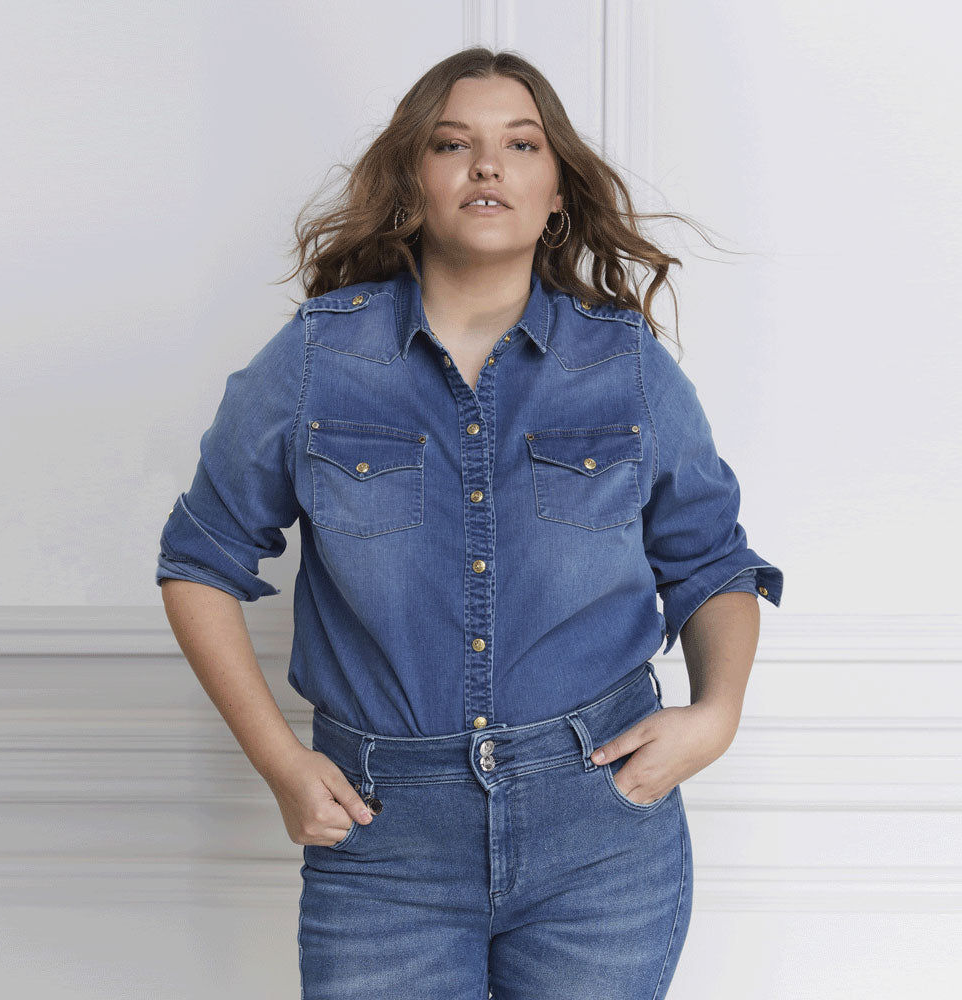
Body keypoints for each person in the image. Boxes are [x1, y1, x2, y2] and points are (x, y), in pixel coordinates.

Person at [156, 47, 783, 1000]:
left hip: (602, 836)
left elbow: (712, 565)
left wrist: (718, 713)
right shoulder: (319, 359)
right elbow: (198, 561)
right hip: (384, 845)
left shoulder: (627, 369)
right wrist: (281, 763)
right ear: (413, 181)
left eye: (521, 144)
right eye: (453, 143)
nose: (488, 164)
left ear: (556, 192)